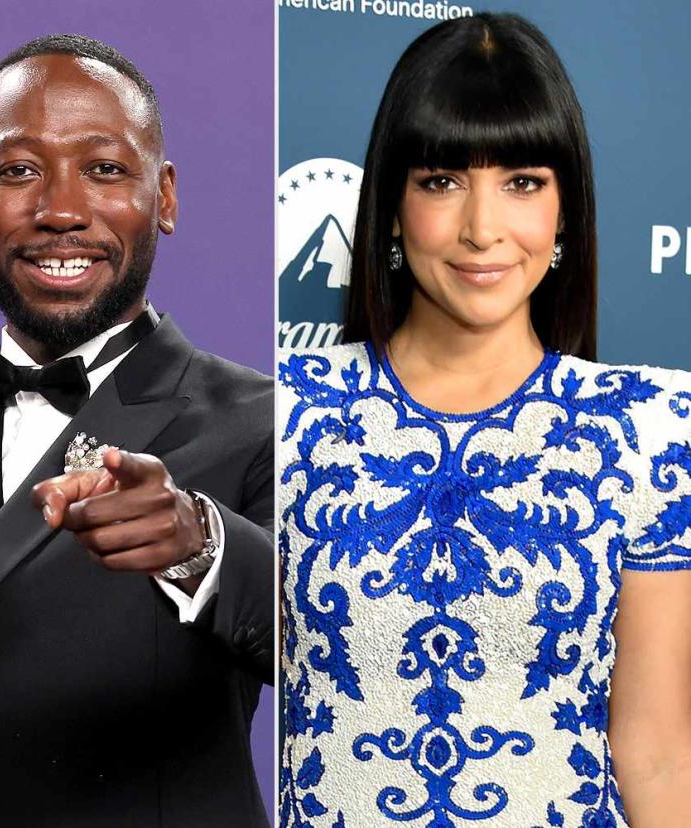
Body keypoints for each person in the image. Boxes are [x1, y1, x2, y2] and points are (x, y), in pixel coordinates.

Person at [278, 13, 691, 827]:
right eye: (441, 181)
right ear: (391, 208)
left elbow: (656, 750)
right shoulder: (283, 409)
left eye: (523, 182)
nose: (482, 229)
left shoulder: (650, 426)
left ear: (566, 209)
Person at [0, 34, 274, 827]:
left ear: (166, 196)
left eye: (105, 169)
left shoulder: (268, 422)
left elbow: (336, 635)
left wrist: (201, 544)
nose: (59, 210)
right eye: (19, 171)